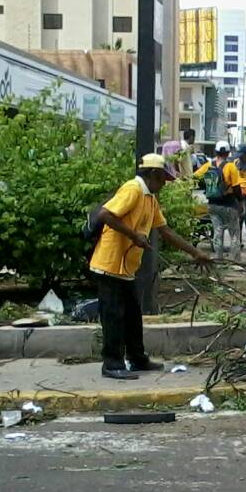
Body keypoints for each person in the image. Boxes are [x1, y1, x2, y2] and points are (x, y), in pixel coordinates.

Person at [89, 153, 212, 380]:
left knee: (133, 315)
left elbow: (165, 231)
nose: (164, 184)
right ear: (153, 174)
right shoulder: (133, 189)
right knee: (114, 315)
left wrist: (195, 253)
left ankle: (137, 358)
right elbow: (106, 214)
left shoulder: (150, 199)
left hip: (125, 267)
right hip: (109, 263)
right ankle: (112, 364)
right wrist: (134, 235)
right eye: (163, 179)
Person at [195, 141, 242, 260]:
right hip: (229, 204)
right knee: (234, 233)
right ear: (227, 153)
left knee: (217, 232)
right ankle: (235, 260)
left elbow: (194, 177)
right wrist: (240, 202)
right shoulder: (231, 166)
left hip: (212, 204)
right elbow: (236, 187)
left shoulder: (208, 165)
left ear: (216, 152)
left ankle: (218, 258)